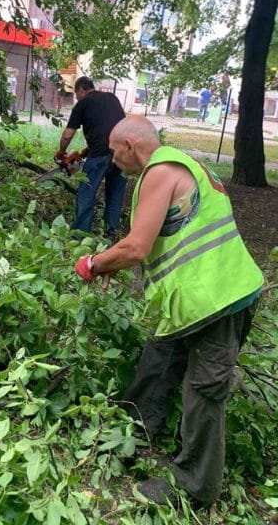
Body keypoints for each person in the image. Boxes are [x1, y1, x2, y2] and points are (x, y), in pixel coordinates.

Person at [75, 115, 263, 506]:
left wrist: (94, 264)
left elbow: (136, 247)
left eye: (113, 152)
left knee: (204, 392)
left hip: (221, 299)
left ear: (130, 145)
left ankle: (195, 487)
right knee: (158, 359)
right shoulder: (182, 166)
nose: (112, 161)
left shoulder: (161, 171)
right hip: (191, 301)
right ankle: (130, 432)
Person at [55, 76, 127, 240]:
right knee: (115, 194)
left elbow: (68, 135)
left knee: (85, 194)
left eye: (76, 93)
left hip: (100, 155)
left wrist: (61, 152)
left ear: (81, 89)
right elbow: (112, 127)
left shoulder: (83, 103)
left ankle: (80, 236)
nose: (77, 97)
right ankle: (111, 233)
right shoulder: (112, 98)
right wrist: (86, 151)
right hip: (121, 154)